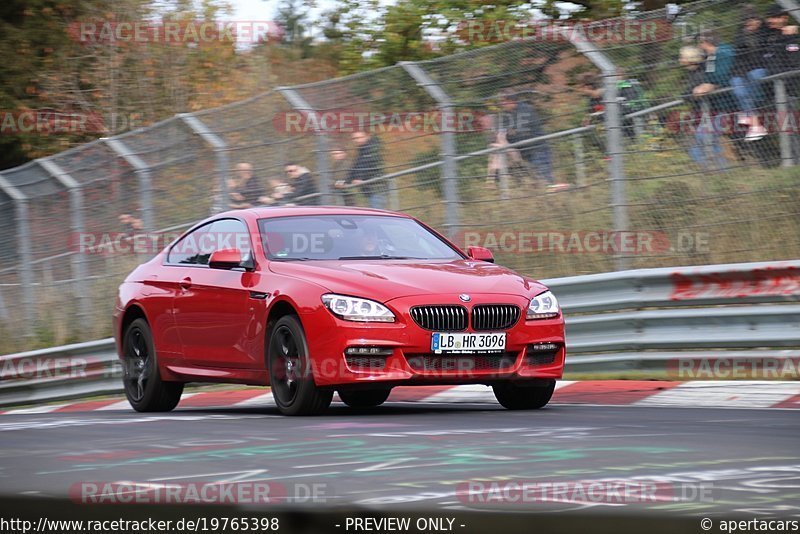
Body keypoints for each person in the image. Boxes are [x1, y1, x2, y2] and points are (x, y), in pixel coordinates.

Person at [680, 44, 727, 169]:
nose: (680, 60)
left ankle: (721, 171)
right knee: (697, 148)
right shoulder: (692, 74)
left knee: (704, 138)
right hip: (705, 114)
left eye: (682, 57)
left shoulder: (703, 71)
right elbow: (687, 94)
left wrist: (692, 93)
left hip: (715, 112)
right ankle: (715, 172)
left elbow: (694, 91)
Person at [731, 5, 770, 141]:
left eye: (752, 20)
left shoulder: (766, 31)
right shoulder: (740, 37)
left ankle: (749, 113)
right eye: (746, 22)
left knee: (755, 75)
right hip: (746, 70)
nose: (749, 24)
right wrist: (741, 73)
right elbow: (739, 59)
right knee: (736, 83)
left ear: (757, 19)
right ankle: (754, 123)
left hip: (763, 67)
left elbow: (767, 55)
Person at [339, 131, 386, 209]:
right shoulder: (361, 151)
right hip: (367, 189)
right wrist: (344, 182)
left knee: (377, 213)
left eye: (360, 137)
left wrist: (360, 178)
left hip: (376, 188)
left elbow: (369, 164)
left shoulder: (372, 150)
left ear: (367, 137)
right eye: (354, 138)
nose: (357, 140)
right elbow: (354, 168)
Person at [764, 5, 800, 93]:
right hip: (770, 85)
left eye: (774, 17)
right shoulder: (767, 34)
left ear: (785, 18)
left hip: (786, 84)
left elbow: (795, 59)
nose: (770, 20)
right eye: (769, 17)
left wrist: (791, 37)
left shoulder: (791, 35)